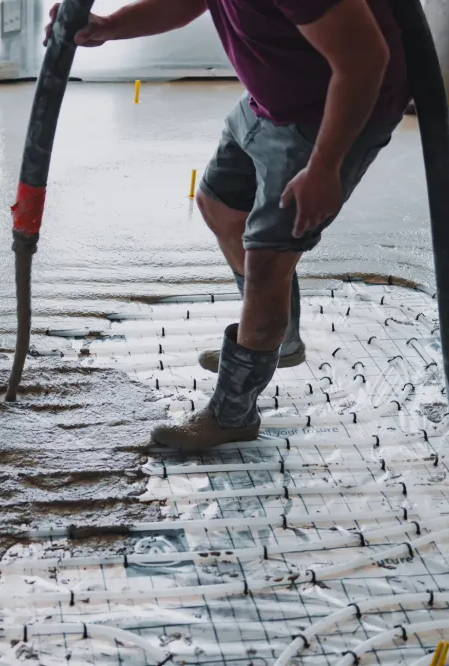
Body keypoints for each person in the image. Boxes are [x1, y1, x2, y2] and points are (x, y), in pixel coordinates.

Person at [45, 0, 410, 452]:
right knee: (219, 205)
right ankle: (278, 341)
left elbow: (364, 62)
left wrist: (325, 166)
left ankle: (233, 413)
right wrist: (109, 27)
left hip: (328, 118)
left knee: (267, 265)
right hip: (274, 97)